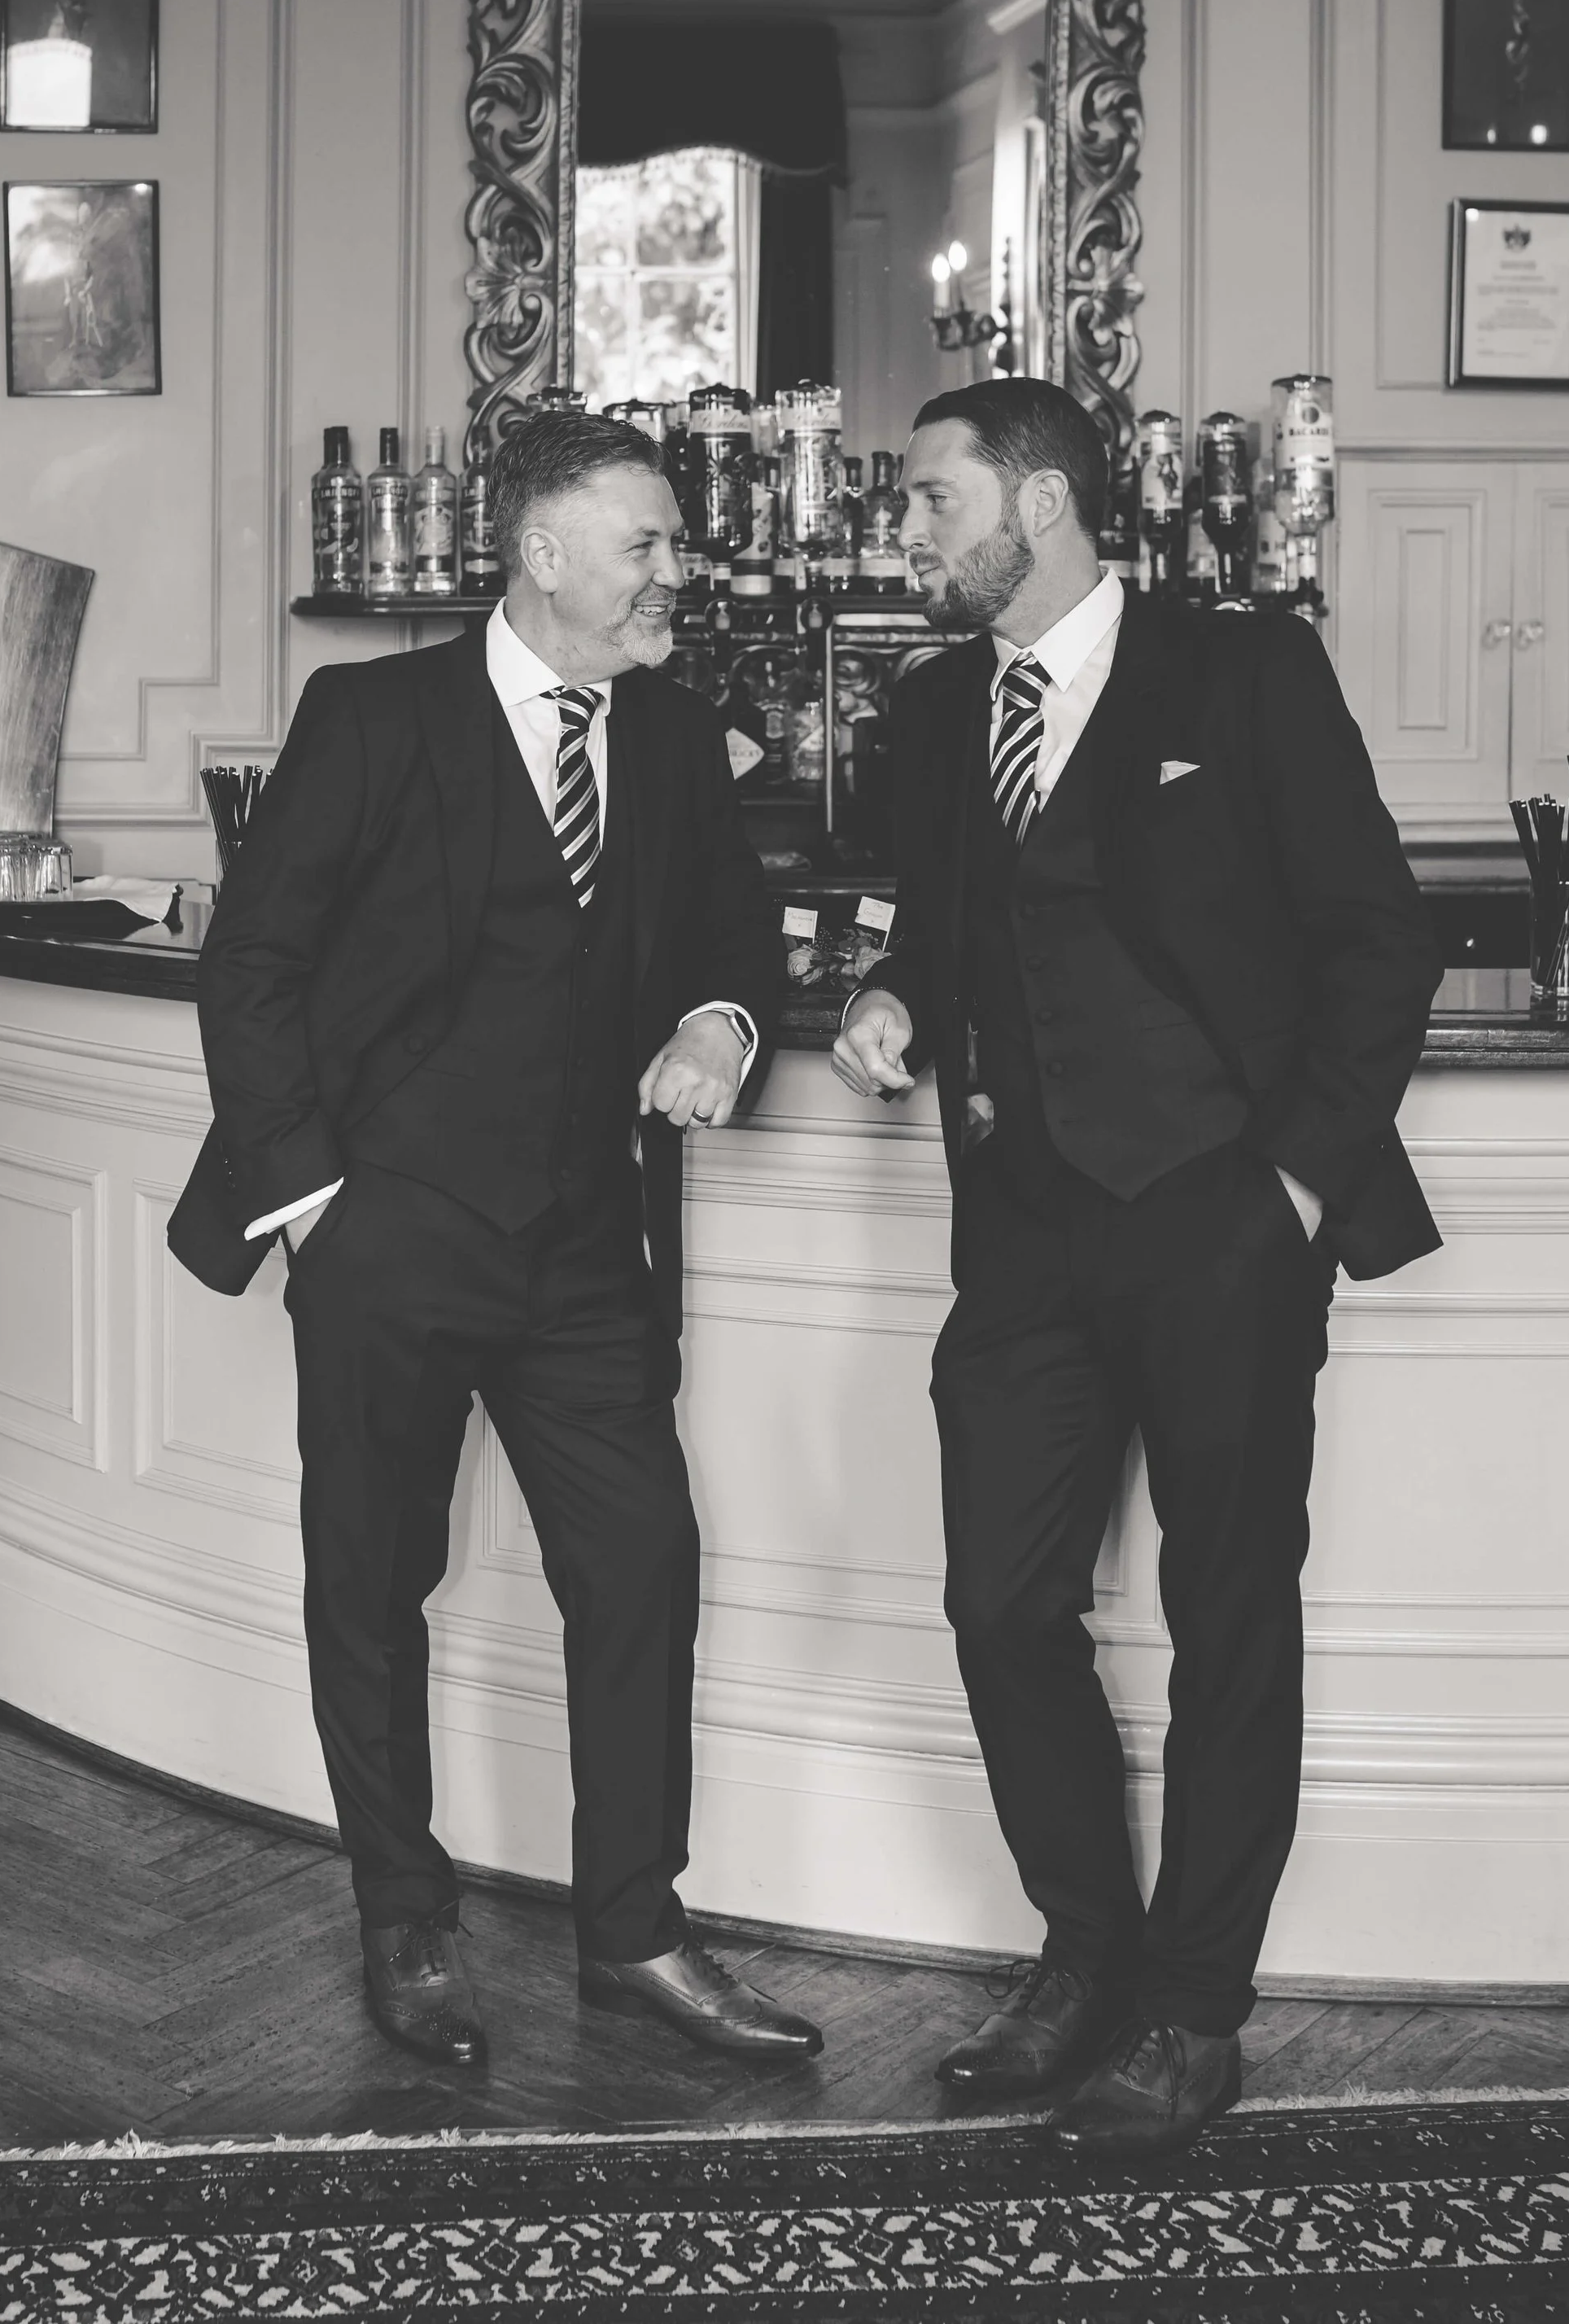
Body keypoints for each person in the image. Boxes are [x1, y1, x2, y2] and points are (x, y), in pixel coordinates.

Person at [831, 379, 1441, 2160]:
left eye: (932, 500)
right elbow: (937, 931)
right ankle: (1084, 1951)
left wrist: (1292, 1189)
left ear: (1039, 502)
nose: (905, 531)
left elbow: (1378, 939)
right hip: (1023, 1231)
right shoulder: (933, 707)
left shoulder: (1242, 673)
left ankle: (1193, 2005)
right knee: (999, 1604)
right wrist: (890, 996)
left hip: (1218, 1220)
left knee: (1229, 1616)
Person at [168, 410, 820, 2072]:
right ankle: (405, 1914)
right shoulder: (373, 716)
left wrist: (722, 1024)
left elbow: (738, 940)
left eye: (673, 542)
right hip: (389, 1233)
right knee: (373, 1580)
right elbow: (255, 965)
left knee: (641, 1569)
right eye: (646, 543)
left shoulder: (674, 735)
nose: (677, 570)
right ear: (541, 550)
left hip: (588, 1246)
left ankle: (637, 1931)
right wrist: (318, 1206)